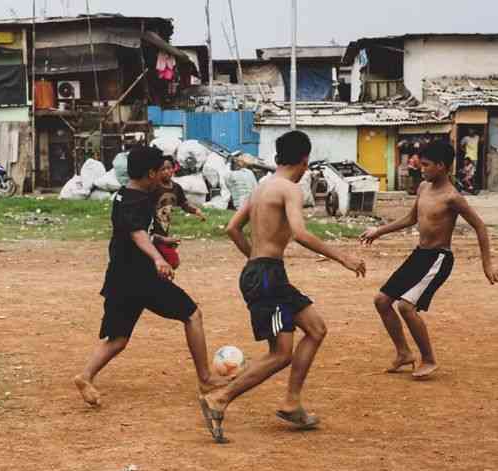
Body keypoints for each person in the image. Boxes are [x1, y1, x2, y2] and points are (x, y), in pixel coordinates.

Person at [198, 131, 366, 443]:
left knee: (315, 329)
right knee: (280, 353)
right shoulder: (290, 189)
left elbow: (233, 228)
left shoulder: (262, 187)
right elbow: (300, 234)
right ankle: (219, 399)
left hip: (265, 272)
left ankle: (291, 403)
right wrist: (342, 257)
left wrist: (254, 258)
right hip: (267, 276)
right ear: (304, 159)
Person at [74, 146, 226, 407]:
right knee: (192, 315)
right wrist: (157, 258)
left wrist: (162, 240)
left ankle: (85, 376)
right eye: (160, 171)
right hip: (141, 277)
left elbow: (139, 231)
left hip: (120, 278)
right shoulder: (136, 200)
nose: (164, 177)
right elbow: (137, 233)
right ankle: (205, 379)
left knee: (118, 339)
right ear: (150, 173)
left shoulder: (125, 195)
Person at [361, 141, 497, 379]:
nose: (420, 168)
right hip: (419, 255)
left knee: (405, 306)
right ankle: (403, 354)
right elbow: (410, 218)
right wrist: (378, 231)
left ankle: (429, 359)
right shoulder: (424, 187)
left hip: (439, 258)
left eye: (425, 165)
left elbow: (479, 227)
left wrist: (487, 263)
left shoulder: (452, 197)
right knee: (382, 301)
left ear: (441, 166)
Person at [150, 155, 206, 269]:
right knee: (171, 261)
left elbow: (184, 204)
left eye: (169, 168)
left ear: (174, 168)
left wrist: (196, 210)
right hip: (151, 233)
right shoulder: (153, 188)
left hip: (163, 231)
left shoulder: (176, 188)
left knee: (170, 262)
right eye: (163, 169)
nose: (167, 171)